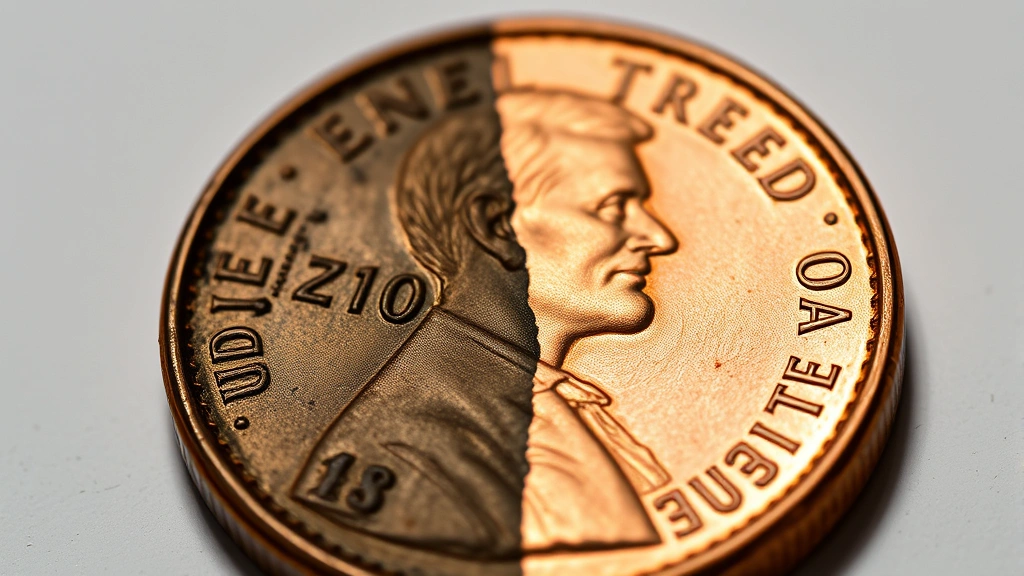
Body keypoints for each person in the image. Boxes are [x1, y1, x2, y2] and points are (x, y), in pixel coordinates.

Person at [292, 88, 678, 558]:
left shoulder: (530, 406)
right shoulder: (411, 449)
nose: (658, 236)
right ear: (498, 227)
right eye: (613, 206)